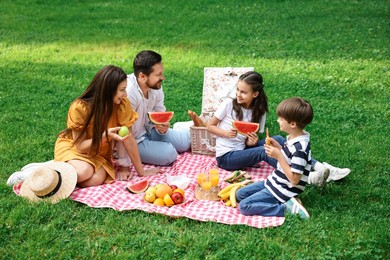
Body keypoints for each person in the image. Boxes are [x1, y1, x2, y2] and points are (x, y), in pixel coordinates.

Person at [206, 71, 350, 187]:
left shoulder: (259, 112)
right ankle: (307, 177)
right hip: (227, 157)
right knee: (265, 151)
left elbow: (248, 142)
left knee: (279, 140)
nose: (238, 94)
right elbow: (209, 126)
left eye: (244, 92)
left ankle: (321, 168)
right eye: (238, 89)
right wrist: (225, 133)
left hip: (243, 149)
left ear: (255, 94)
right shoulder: (228, 104)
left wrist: (252, 141)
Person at [54, 65, 159, 188]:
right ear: (108, 90)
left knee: (96, 180)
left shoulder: (122, 105)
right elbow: (80, 146)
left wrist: (141, 171)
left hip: (99, 154)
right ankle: (50, 175)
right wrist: (105, 136)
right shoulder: (80, 108)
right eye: (122, 90)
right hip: (75, 148)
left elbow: (128, 139)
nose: (125, 94)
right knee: (84, 172)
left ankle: (65, 173)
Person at [236, 97, 314, 219]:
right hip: (274, 182)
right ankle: (289, 201)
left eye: (281, 119)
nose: (278, 121)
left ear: (292, 124)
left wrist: (279, 155)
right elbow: (289, 157)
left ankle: (286, 208)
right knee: (240, 194)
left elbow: (294, 180)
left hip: (283, 189)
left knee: (244, 206)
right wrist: (278, 147)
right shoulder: (292, 137)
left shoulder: (300, 149)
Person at [116, 50, 190, 174]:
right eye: (159, 74)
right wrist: (124, 165)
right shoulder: (128, 93)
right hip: (134, 140)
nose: (163, 78)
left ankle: (181, 127)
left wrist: (164, 126)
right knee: (169, 154)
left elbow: (160, 113)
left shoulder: (155, 86)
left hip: (149, 130)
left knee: (185, 142)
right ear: (142, 76)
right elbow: (123, 133)